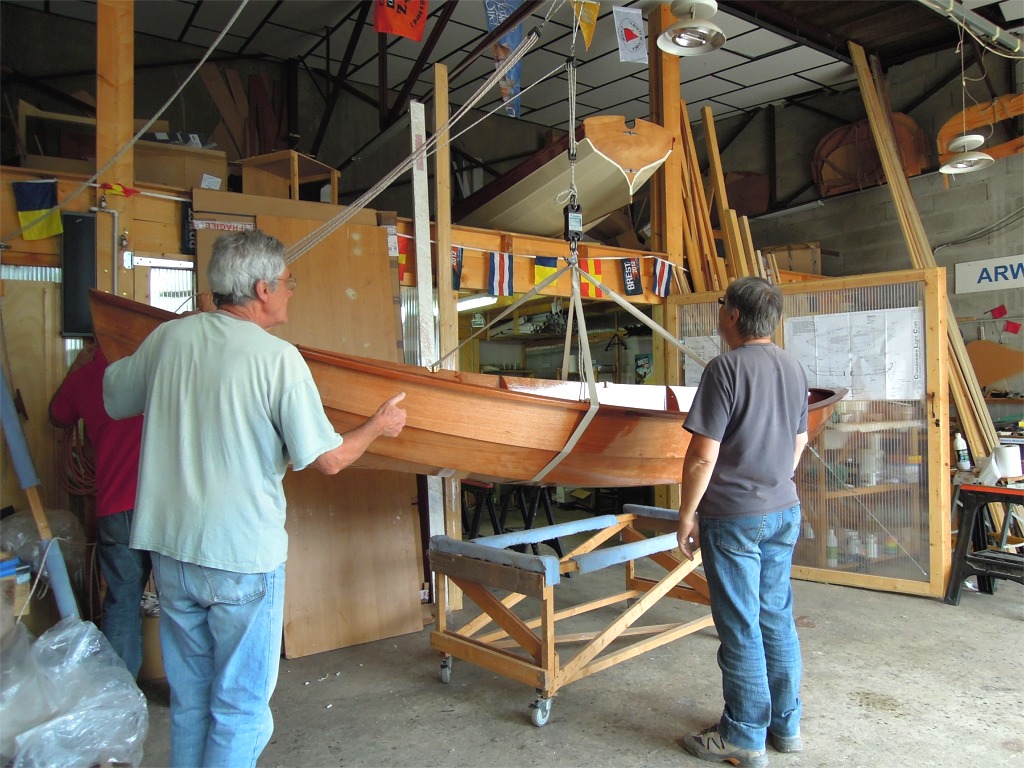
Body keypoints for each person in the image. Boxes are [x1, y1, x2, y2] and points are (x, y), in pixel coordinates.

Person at [102, 228, 407, 768]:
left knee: (193, 702)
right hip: (242, 561)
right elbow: (329, 459)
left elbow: (113, 397)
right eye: (289, 282)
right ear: (263, 289)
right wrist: (378, 426)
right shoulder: (278, 360)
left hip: (170, 555)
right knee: (241, 708)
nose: (292, 290)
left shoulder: (169, 339)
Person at [675, 276, 809, 768]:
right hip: (783, 510)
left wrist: (686, 514)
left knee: (739, 625)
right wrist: (771, 481)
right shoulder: (794, 367)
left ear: (733, 314)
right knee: (775, 616)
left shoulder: (723, 369)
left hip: (732, 516)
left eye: (721, 306)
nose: (718, 313)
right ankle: (785, 726)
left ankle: (743, 735)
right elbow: (798, 443)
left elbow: (700, 458)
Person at [49, 341, 150, 678]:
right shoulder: (155, 366)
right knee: (181, 605)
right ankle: (186, 695)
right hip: (167, 507)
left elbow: (57, 415)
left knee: (122, 602)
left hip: (116, 506)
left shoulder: (85, 377)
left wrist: (75, 369)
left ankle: (122, 696)